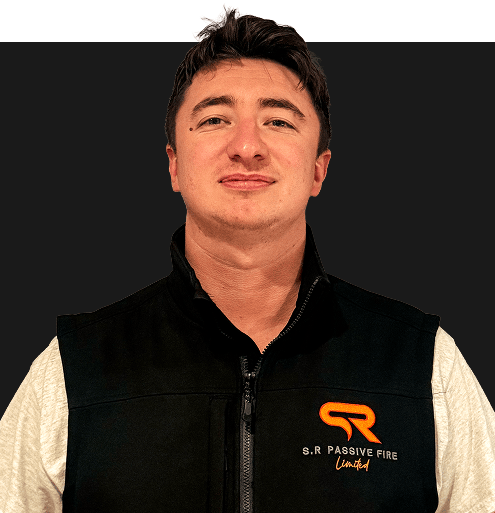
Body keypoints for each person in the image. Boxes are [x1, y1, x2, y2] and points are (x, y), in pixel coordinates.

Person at [1, 5, 494, 512]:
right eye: (215, 119)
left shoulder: (422, 366)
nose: (246, 147)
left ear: (319, 169)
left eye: (278, 121)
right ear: (174, 164)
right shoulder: (73, 372)